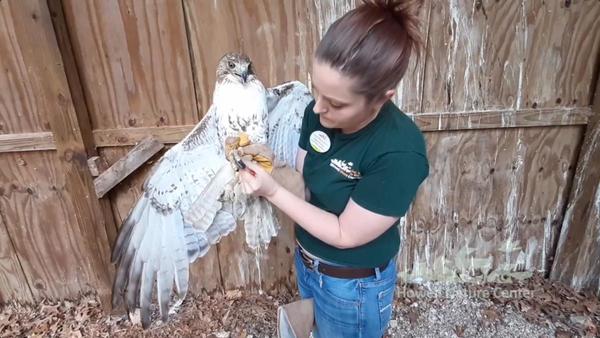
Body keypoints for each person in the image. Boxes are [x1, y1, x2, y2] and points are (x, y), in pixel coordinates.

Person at [238, 0, 428, 336]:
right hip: (308, 264)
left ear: (383, 98)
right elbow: (306, 186)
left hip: (352, 286)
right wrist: (268, 163)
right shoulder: (318, 113)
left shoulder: (399, 151)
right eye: (316, 90)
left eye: (336, 103)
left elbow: (345, 234)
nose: (318, 108)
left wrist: (272, 190)